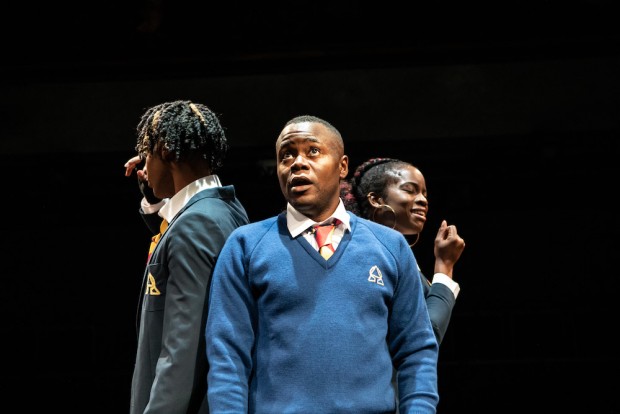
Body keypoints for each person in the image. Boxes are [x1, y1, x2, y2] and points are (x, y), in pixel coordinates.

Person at [205, 115, 439, 413]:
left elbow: (416, 350)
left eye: (312, 151)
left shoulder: (390, 247)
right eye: (286, 155)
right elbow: (227, 356)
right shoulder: (245, 245)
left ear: (342, 166)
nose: (297, 163)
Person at [124, 99, 250, 414]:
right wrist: (152, 195)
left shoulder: (195, 226)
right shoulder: (225, 209)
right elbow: (175, 240)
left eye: (148, 152)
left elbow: (183, 348)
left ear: (166, 150)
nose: (145, 163)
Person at [340, 158, 465, 344]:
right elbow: (422, 337)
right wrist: (444, 267)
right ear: (376, 200)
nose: (423, 200)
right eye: (409, 190)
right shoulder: (366, 254)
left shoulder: (393, 254)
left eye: (424, 194)